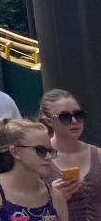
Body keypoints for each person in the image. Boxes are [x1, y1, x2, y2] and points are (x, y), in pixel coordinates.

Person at [0, 118, 67, 221]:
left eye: (50, 150)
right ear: (15, 152)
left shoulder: (55, 197)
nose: (48, 157)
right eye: (40, 150)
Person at [39, 88, 100, 220]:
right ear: (48, 121)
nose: (74, 121)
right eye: (65, 117)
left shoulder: (98, 154)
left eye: (79, 115)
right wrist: (49, 197)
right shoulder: (39, 158)